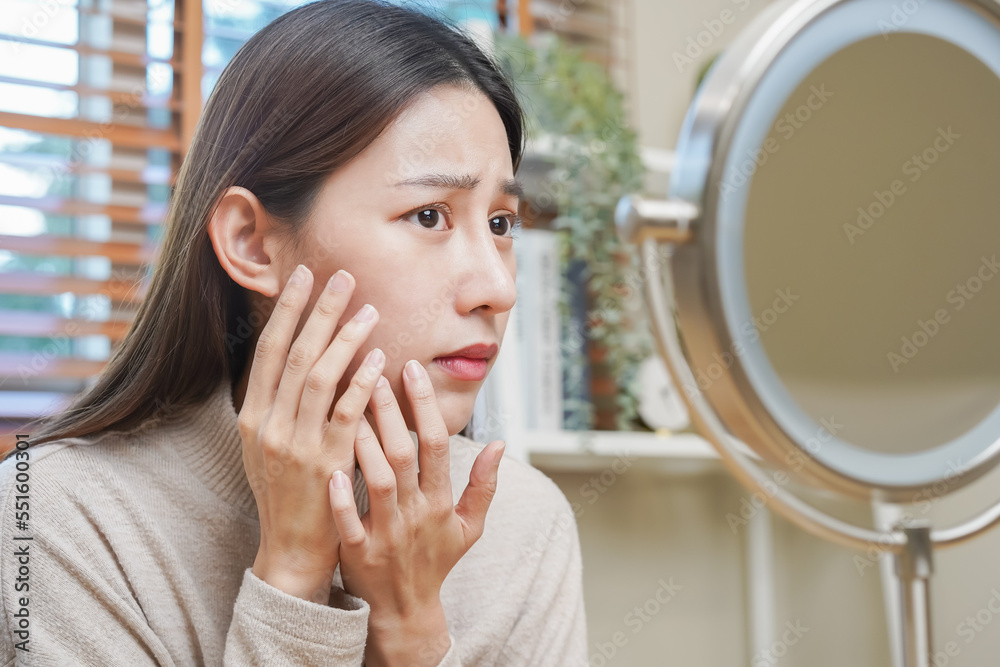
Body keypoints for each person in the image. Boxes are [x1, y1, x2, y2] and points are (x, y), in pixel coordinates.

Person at [0, 0, 589, 664]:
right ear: (253, 244)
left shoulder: (524, 524)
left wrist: (411, 632)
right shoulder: (55, 519)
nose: (498, 287)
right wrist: (291, 575)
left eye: (501, 223)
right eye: (428, 215)